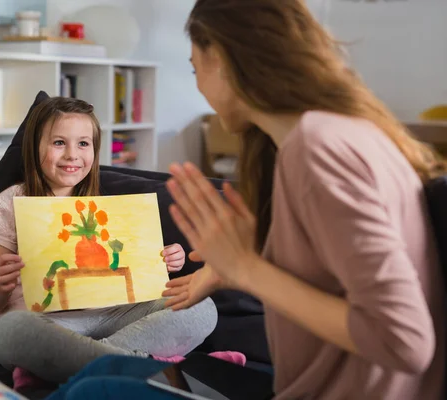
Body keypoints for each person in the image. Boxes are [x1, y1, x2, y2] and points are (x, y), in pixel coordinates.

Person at [44, 0, 447, 399]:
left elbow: (403, 340)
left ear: (218, 56)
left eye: (194, 66)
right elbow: (336, 269)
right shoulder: (330, 135)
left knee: (92, 392)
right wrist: (231, 269)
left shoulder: (319, 147)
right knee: (104, 376)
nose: (198, 83)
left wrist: (249, 270)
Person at [0, 96, 222, 386]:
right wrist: (0, 283)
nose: (72, 155)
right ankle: (133, 365)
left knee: (202, 306)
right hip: (49, 323)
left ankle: (102, 364)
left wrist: (165, 259)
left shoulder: (100, 207)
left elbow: (136, 275)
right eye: (58, 143)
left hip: (113, 315)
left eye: (83, 143)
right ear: (34, 148)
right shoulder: (10, 203)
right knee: (10, 331)